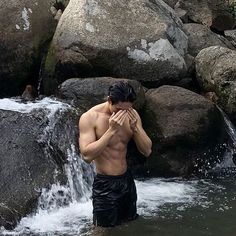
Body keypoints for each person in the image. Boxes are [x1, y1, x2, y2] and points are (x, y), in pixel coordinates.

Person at [78, 81, 152, 227]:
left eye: (127, 109)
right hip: (105, 185)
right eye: (118, 109)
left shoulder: (132, 114)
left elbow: (147, 150)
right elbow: (86, 156)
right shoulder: (90, 117)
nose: (122, 114)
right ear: (109, 100)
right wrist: (111, 130)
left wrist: (135, 129)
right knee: (103, 230)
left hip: (126, 182)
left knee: (129, 226)